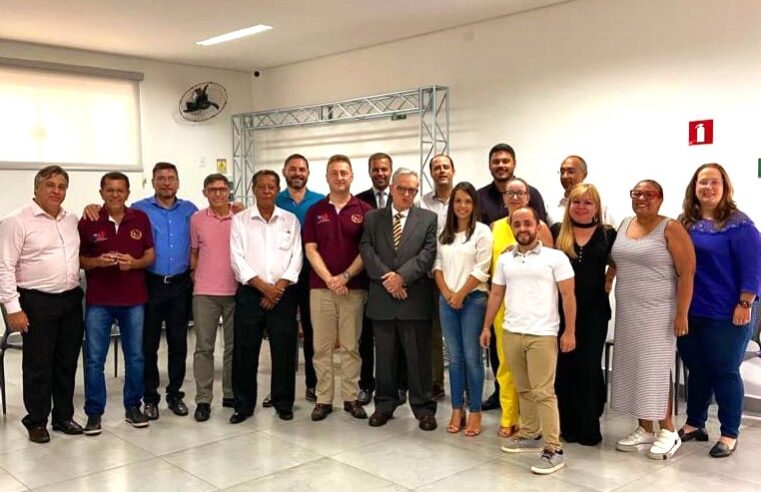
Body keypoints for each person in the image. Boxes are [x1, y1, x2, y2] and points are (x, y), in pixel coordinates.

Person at [480, 206, 576, 475]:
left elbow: (568, 296)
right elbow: (496, 295)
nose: (522, 229)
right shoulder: (505, 259)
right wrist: (487, 326)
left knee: (543, 392)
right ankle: (531, 434)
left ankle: (554, 448)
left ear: (538, 226)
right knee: (523, 388)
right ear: (512, 227)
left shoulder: (555, 258)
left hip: (542, 334)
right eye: (517, 224)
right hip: (512, 331)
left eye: (527, 224)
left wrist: (569, 332)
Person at [677, 163, 760, 458]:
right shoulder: (684, 222)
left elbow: (753, 267)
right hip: (691, 310)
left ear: (725, 187)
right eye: (703, 182)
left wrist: (745, 303)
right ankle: (695, 423)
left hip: (728, 312)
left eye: (715, 182)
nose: (708, 187)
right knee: (697, 369)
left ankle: (729, 433)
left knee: (725, 371)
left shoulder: (740, 224)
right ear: (694, 187)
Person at [611, 179, 695, 460]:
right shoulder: (623, 224)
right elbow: (617, 260)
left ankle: (668, 431)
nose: (642, 198)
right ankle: (645, 427)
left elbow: (687, 273)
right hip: (628, 310)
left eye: (649, 194)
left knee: (655, 370)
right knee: (633, 367)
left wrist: (682, 313)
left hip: (659, 312)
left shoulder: (670, 227)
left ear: (660, 198)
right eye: (637, 193)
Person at [0, 165, 84, 443]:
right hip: (36, 302)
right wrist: (13, 308)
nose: (56, 191)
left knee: (66, 362)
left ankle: (63, 416)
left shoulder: (70, 219)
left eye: (62, 186)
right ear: (36, 188)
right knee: (38, 365)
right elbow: (4, 266)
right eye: (50, 185)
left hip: (70, 300)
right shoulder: (16, 220)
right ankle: (36, 420)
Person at [359, 167, 438, 431]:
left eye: (412, 190)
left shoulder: (428, 218)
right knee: (384, 359)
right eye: (401, 188)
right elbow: (367, 250)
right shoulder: (372, 218)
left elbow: (427, 254)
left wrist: (401, 278)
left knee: (418, 360)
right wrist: (389, 279)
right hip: (383, 299)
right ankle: (384, 405)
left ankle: (424, 408)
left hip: (414, 299)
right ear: (391, 188)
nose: (406, 194)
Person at [79, 172, 155, 434]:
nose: (115, 195)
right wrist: (97, 262)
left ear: (128, 193)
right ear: (101, 193)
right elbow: (79, 259)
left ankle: (133, 406)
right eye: (109, 190)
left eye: (120, 190)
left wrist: (134, 263)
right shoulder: (89, 220)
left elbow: (149, 254)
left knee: (135, 357)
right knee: (94, 359)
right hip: (99, 301)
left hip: (133, 299)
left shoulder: (140, 219)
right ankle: (94, 413)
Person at [478, 143, 548, 410]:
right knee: (502, 357)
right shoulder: (487, 214)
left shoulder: (536, 222)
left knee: (530, 359)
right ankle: (506, 402)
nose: (501, 165)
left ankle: (531, 409)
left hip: (531, 300)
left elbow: (548, 253)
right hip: (499, 298)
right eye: (496, 161)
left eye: (506, 161)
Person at [229, 170, 302, 423]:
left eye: (272, 187)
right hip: (251, 293)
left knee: (284, 350)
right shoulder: (240, 220)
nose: (267, 191)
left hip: (283, 294)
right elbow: (237, 259)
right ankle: (243, 405)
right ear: (253, 188)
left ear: (277, 189)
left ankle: (283, 402)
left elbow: (296, 258)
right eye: (262, 187)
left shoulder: (290, 220)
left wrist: (277, 289)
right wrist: (263, 287)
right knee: (245, 351)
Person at [304, 155, 372, 421]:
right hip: (320, 290)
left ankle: (351, 397)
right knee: (321, 348)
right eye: (335, 173)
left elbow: (367, 250)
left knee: (350, 347)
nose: (340, 177)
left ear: (352, 176)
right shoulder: (315, 210)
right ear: (327, 177)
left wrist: (344, 277)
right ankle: (323, 399)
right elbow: (310, 249)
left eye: (344, 173)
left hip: (353, 289)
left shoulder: (365, 210)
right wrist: (330, 279)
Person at [550, 183, 616, 446]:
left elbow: (619, 261)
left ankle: (589, 425)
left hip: (594, 312)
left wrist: (609, 280)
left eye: (588, 203)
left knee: (589, 367)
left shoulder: (607, 234)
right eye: (576, 202)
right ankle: (567, 425)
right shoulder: (557, 232)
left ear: (597, 207)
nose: (581, 207)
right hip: (561, 311)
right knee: (565, 367)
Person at [132, 162, 198, 420]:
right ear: (153, 182)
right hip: (150, 283)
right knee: (148, 345)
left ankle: (174, 394)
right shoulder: (139, 209)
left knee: (178, 343)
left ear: (178, 182)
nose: (167, 183)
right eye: (161, 178)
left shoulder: (190, 210)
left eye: (171, 178)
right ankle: (150, 398)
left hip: (181, 285)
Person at [487, 177, 553, 429]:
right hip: (503, 307)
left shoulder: (540, 228)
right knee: (506, 365)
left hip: (534, 308)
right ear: (503, 198)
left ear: (528, 197)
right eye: (510, 193)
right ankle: (508, 417)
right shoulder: (494, 227)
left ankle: (531, 422)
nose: (514, 197)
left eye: (520, 193)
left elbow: (550, 264)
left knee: (530, 372)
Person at [433, 181, 492, 436]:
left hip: (473, 301)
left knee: (472, 358)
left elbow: (482, 269)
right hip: (447, 302)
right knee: (454, 359)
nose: (462, 206)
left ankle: (475, 411)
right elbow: (437, 266)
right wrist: (448, 294)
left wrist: (460, 294)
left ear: (474, 205)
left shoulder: (481, 232)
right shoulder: (443, 233)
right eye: (458, 201)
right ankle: (457, 409)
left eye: (468, 201)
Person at [355, 152, 406, 406]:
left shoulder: (403, 200)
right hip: (370, 279)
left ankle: (396, 385)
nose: (380, 174)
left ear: (391, 171)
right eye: (375, 169)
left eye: (384, 169)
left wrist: (396, 277)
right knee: (366, 337)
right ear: (369, 172)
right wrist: (382, 274)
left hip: (399, 281)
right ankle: (366, 384)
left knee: (395, 337)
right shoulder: (359, 201)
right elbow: (364, 244)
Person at [275, 153, 324, 405]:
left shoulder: (319, 202)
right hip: (281, 277)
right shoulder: (274, 199)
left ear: (308, 173)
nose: (297, 173)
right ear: (285, 172)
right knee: (282, 334)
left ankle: (313, 384)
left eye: (302, 169)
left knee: (312, 332)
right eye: (292, 169)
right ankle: (279, 390)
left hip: (311, 275)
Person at [190, 173, 238, 422]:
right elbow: (195, 253)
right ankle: (203, 399)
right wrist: (196, 278)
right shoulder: (197, 219)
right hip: (205, 293)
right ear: (205, 192)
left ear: (228, 191)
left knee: (233, 347)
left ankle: (229, 393)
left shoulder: (241, 216)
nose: (217, 194)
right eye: (212, 190)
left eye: (222, 189)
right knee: (204, 348)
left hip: (235, 291)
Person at [420, 153, 455, 401]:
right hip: (430, 275)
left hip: (460, 276)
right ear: (431, 173)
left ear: (453, 171)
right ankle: (436, 383)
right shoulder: (422, 203)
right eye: (436, 167)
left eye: (445, 167)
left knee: (460, 335)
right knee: (432, 333)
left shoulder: (464, 199)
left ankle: (462, 385)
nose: (441, 171)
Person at [547, 155, 616, 226]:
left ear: (584, 174)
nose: (565, 176)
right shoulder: (552, 208)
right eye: (562, 172)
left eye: (570, 172)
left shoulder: (599, 207)